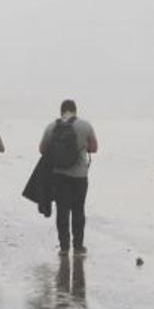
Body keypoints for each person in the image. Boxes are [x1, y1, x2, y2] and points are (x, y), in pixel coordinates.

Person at [39, 99, 98, 256]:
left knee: (62, 211)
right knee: (78, 209)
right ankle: (78, 247)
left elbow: (42, 149)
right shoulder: (85, 125)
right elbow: (94, 148)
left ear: (61, 111)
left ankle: (64, 247)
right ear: (75, 110)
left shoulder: (52, 127)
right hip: (80, 176)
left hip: (59, 175)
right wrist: (83, 145)